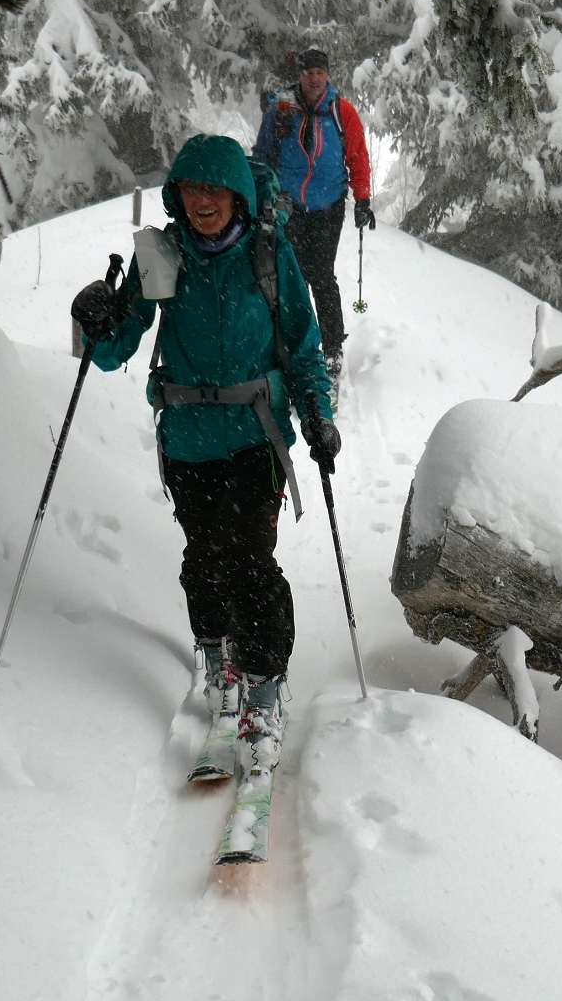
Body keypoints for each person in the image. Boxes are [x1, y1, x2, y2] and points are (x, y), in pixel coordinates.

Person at [68, 135, 339, 777]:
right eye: (192, 190)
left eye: (215, 191)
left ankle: (264, 690)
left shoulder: (269, 256)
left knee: (250, 559)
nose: (203, 203)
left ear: (238, 195)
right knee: (204, 556)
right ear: (177, 195)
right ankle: (216, 650)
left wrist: (318, 415)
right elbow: (114, 349)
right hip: (187, 441)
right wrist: (97, 321)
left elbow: (303, 346)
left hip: (256, 438)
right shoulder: (162, 255)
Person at [252, 46, 373, 374]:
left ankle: (332, 350)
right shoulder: (282, 108)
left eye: (320, 72)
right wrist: (259, 193)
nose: (314, 78)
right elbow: (263, 153)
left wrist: (362, 199)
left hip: (328, 206)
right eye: (308, 72)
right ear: (299, 75)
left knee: (321, 275)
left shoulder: (342, 111)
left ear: (328, 74)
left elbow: (358, 156)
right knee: (290, 277)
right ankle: (292, 346)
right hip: (287, 206)